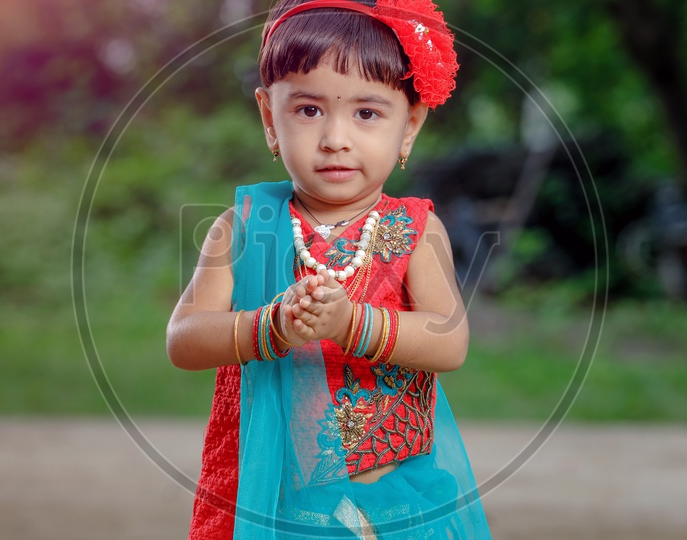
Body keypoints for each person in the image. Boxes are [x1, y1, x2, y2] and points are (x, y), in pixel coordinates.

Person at [167, 0, 491, 538]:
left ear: (408, 126)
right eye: (309, 110)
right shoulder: (245, 228)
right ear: (270, 118)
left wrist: (349, 324)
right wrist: (268, 326)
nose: (336, 137)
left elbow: (449, 341)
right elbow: (184, 339)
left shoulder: (414, 231)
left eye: (367, 113)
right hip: (278, 506)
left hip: (391, 505)